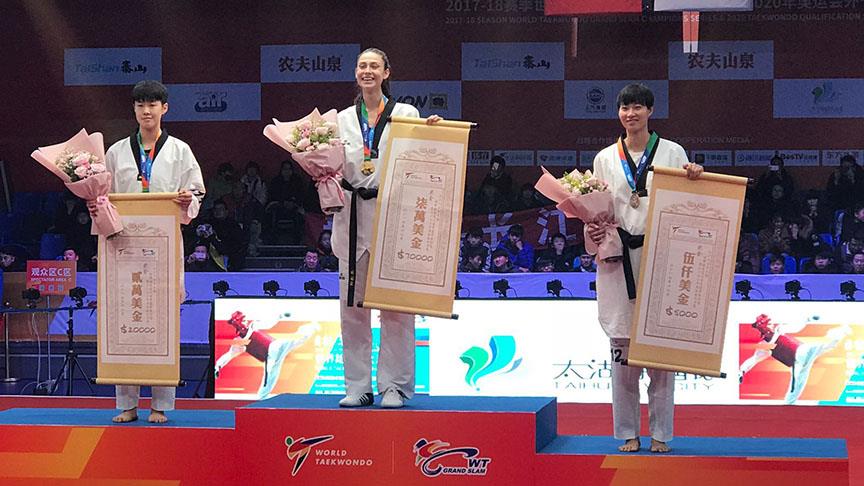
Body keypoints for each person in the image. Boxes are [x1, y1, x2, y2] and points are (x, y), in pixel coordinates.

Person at [584, 83, 703, 454]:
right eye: (625, 108)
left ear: (650, 111)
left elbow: (688, 201)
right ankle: (626, 432)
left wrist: (695, 177)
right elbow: (595, 209)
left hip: (661, 254)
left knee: (660, 350)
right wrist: (592, 229)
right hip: (618, 258)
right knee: (621, 346)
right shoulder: (605, 157)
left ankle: (662, 432)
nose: (630, 114)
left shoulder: (672, 152)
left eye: (637, 107)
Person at [91, 80, 205, 424]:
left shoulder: (180, 150)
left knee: (162, 319)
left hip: (163, 245)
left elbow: (196, 191)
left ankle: (161, 404)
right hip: (122, 246)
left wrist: (187, 199)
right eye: (141, 104)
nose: (146, 111)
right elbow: (101, 194)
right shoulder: (116, 152)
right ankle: (127, 403)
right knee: (124, 317)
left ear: (164, 108)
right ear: (134, 109)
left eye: (153, 104)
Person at [333, 47, 441, 409]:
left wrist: (434, 135)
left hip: (394, 217)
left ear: (386, 73)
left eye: (374, 66)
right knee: (352, 309)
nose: (367, 71)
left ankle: (394, 386)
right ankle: (357, 386)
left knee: (396, 309)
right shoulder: (340, 120)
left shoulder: (406, 114)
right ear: (355, 72)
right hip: (351, 218)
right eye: (362, 66)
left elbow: (423, 155)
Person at [740, 314, 851, 404]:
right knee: (795, 389)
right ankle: (788, 408)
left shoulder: (779, 329)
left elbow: (795, 327)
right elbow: (754, 359)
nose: (772, 324)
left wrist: (808, 319)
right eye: (769, 323)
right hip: (797, 363)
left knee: (825, 346)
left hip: (803, 351)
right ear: (763, 327)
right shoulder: (765, 345)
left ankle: (842, 331)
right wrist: (742, 371)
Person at [215, 311, 318, 400]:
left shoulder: (253, 325)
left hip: (275, 346)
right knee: (269, 379)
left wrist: (280, 316)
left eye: (245, 319)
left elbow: (268, 323)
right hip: (270, 358)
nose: (246, 321)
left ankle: (310, 327)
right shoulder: (239, 341)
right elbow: (230, 354)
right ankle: (261, 400)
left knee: (296, 340)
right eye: (243, 320)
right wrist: (218, 366)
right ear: (238, 323)